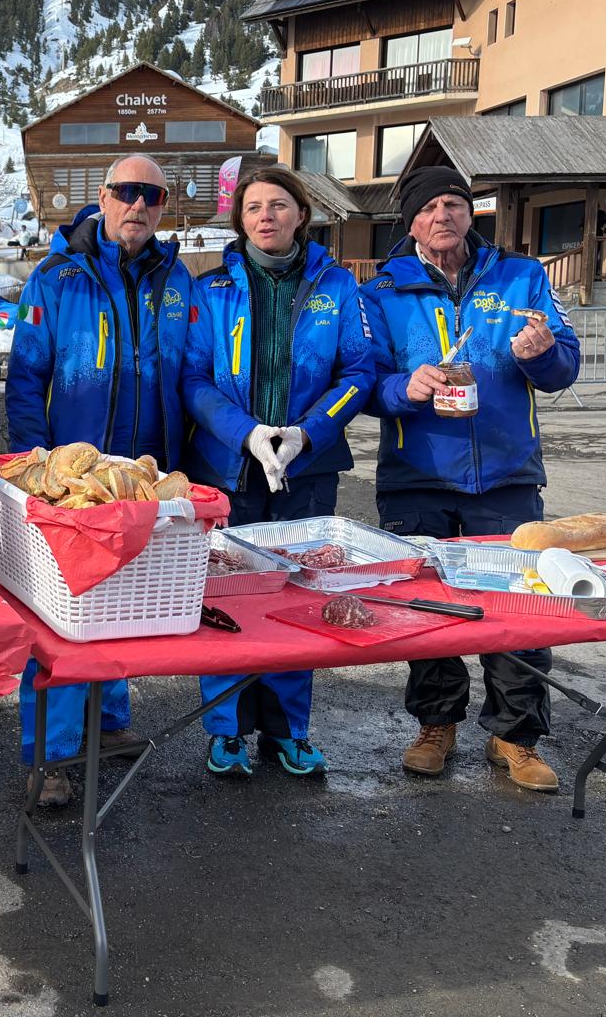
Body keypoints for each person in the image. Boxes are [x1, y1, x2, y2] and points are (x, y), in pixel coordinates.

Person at [362, 166, 581, 792]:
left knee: (519, 609)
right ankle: (436, 725)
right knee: (428, 608)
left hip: (507, 475)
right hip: (417, 476)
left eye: (454, 204)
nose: (443, 216)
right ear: (411, 221)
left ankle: (516, 735)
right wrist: (404, 387)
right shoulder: (380, 292)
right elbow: (362, 383)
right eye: (429, 207)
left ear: (470, 213)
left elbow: (564, 368)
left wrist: (544, 354)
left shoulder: (522, 277)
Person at [5, 159, 192, 807]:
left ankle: (108, 720)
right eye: (126, 192)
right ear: (104, 198)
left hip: (142, 479)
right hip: (74, 485)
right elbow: (26, 377)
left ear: (162, 205)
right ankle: (51, 754)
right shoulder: (57, 276)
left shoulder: (176, 277)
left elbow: (191, 372)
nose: (138, 204)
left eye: (151, 194)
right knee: (61, 614)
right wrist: (37, 467)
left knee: (122, 603)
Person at [183, 166, 375, 779]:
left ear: (301, 214)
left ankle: (288, 728)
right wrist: (244, 433)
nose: (266, 216)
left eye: (279, 205)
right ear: (239, 220)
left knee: (298, 593)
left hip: (306, 470)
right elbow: (194, 379)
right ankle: (226, 728)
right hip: (228, 469)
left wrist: (309, 432)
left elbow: (359, 373)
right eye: (253, 207)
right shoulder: (211, 289)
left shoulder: (336, 285)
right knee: (225, 597)